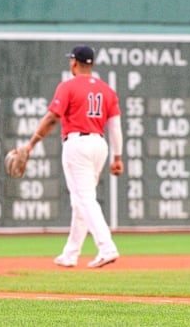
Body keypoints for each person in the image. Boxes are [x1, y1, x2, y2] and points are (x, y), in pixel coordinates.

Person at [23, 45, 124, 269]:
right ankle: (70, 254)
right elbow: (115, 126)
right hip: (100, 144)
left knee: (85, 199)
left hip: (77, 144)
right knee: (80, 201)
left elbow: (52, 118)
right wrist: (117, 157)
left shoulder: (68, 86)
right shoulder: (107, 89)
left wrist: (32, 143)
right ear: (92, 64)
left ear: (74, 63)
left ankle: (106, 247)